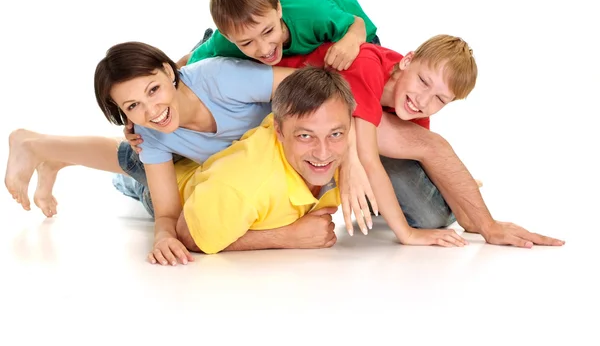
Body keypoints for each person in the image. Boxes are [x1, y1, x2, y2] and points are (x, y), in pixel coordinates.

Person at [4, 42, 367, 266]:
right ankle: (37, 145)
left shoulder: (221, 79)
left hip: (243, 159)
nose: (152, 110)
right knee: (131, 165)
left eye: (154, 90)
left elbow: (325, 100)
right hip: (198, 172)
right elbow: (167, 213)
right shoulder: (150, 131)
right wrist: (163, 236)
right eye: (133, 106)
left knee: (131, 163)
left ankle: (53, 154)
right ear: (124, 114)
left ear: (168, 72)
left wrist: (351, 160)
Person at [277, 35, 565, 248]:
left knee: (433, 217)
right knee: (431, 147)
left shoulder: (412, 108)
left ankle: (470, 212)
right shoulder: (368, 66)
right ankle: (480, 219)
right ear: (408, 59)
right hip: (295, 110)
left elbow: (421, 157)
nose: (423, 100)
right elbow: (368, 157)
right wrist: (407, 234)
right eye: (423, 82)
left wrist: (470, 212)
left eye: (440, 99)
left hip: (345, 132)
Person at [172, 66, 466, 255]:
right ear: (279, 131)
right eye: (305, 137)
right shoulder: (243, 185)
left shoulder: (347, 147)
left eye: (336, 134)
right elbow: (188, 234)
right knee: (133, 169)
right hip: (185, 186)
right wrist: (286, 237)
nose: (323, 153)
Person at [176, 0, 379, 71]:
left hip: (346, 25)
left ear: (278, 9)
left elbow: (358, 24)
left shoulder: (313, 13)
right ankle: (206, 37)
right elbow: (189, 62)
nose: (264, 48)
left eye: (268, 31)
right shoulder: (224, 41)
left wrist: (351, 39)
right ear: (229, 37)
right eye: (246, 42)